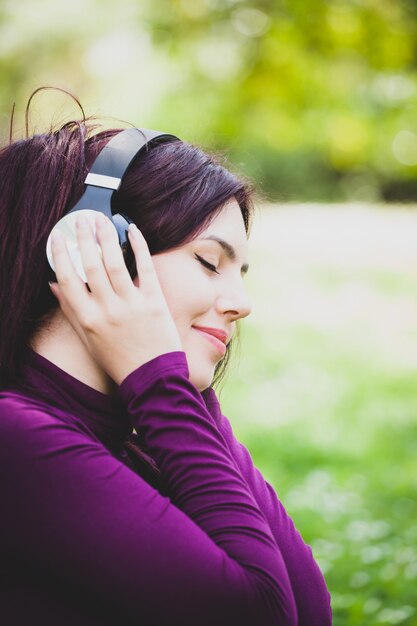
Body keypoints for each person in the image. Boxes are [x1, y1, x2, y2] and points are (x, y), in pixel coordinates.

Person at [0, 100, 332, 625]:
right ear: (97, 251)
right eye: (209, 262)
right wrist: (160, 382)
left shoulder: (140, 431)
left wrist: (169, 384)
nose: (242, 303)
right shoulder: (13, 438)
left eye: (241, 272)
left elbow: (309, 612)